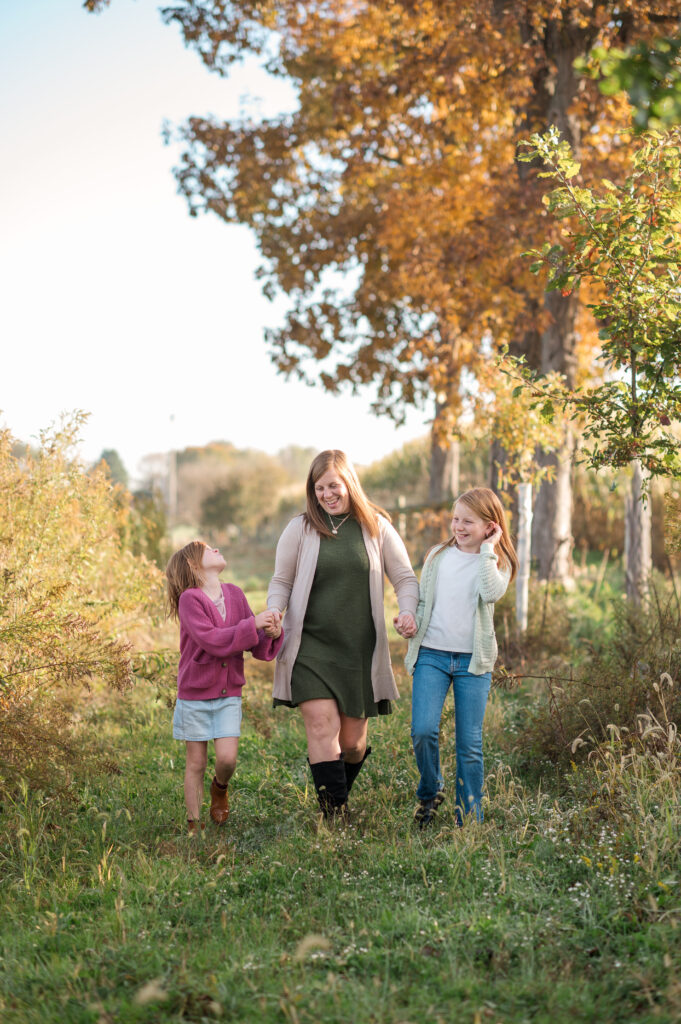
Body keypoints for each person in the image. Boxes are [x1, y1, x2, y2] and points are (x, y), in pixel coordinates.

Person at [267, 450, 419, 819]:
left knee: (352, 744)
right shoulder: (300, 528)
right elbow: (282, 580)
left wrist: (408, 611)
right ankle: (335, 817)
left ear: (349, 481)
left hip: (359, 651)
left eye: (333, 485)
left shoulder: (376, 526)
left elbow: (404, 578)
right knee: (321, 727)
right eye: (319, 487)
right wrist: (274, 610)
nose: (326, 494)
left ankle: (335, 793)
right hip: (311, 646)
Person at [400, 487, 517, 829]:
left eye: (469, 521)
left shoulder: (497, 562)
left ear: (490, 526)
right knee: (422, 730)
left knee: (469, 743)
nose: (459, 527)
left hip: (473, 663)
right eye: (455, 519)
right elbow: (423, 603)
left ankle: (469, 813)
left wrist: (487, 551)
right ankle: (430, 791)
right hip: (432, 655)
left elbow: (491, 592)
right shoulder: (438, 555)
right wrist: (410, 623)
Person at [165, 541, 283, 834]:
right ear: (194, 564)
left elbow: (254, 644)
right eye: (207, 548)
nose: (215, 548)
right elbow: (214, 640)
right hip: (195, 695)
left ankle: (220, 787)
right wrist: (252, 624)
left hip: (229, 692)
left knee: (227, 759)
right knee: (196, 762)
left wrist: (271, 632)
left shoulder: (235, 594)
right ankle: (194, 824)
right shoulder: (190, 600)